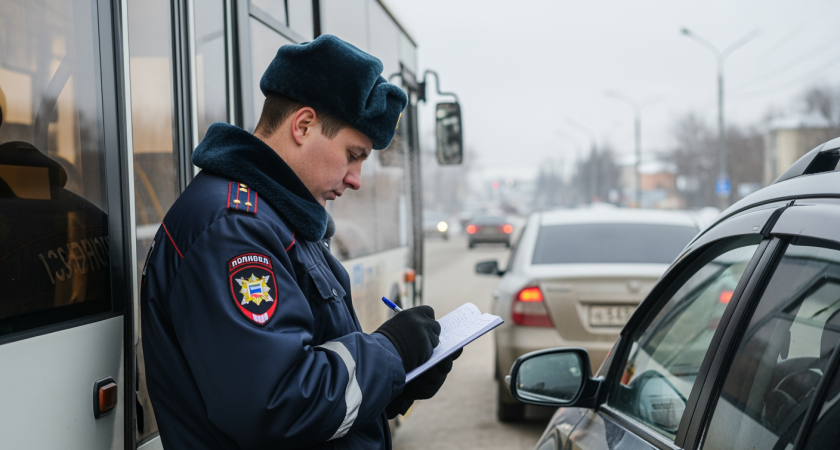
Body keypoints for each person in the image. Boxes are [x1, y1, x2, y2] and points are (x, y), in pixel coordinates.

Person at [141, 35, 460, 449]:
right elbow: (277, 407)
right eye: (353, 154)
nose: (356, 179)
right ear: (303, 125)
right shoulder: (233, 230)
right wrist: (390, 352)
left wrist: (400, 381)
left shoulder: (277, 217)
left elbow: (308, 375)